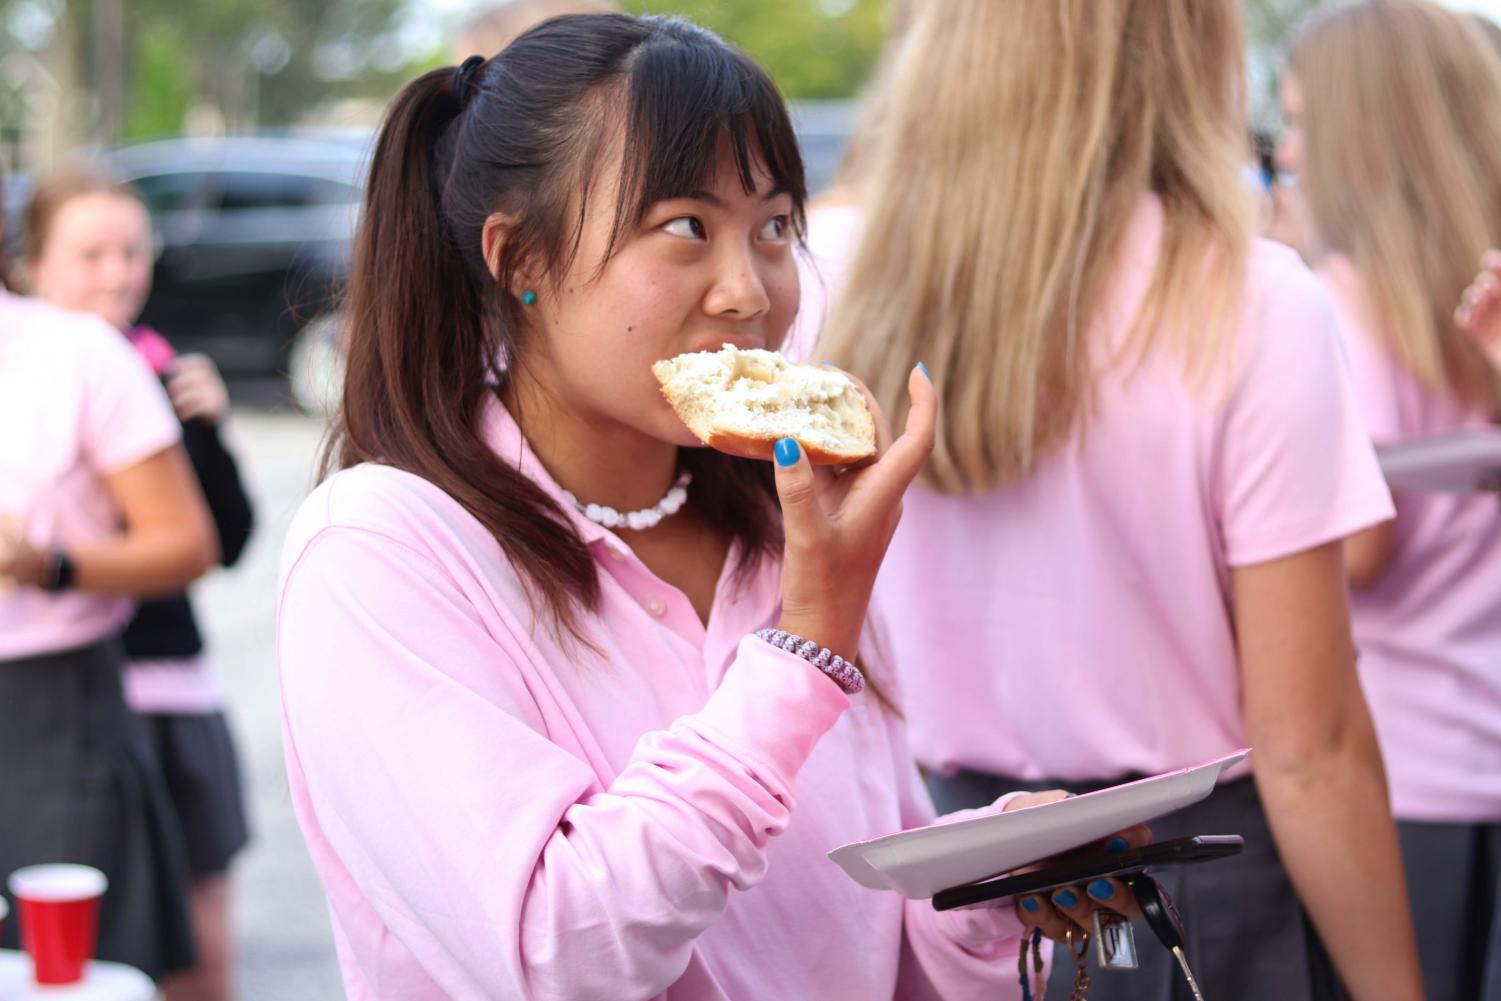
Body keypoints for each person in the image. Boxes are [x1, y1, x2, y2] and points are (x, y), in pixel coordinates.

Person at [276, 13, 1148, 1000]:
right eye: (685, 227)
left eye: (773, 227)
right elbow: (558, 954)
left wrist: (983, 883)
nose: (749, 291)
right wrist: (808, 648)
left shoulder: (782, 526)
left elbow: (866, 944)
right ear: (518, 260)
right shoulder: (381, 551)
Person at [811, 2, 1423, 999]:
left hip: (944, 872)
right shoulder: (1252, 300)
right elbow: (1309, 747)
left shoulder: (837, 275)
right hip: (1191, 883)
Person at [1282, 3, 1501, 997]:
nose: (1284, 149)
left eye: (1297, 121)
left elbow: (1356, 554)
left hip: (1404, 771)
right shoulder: (1474, 287)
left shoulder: (1337, 297)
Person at [22, 164, 255, 1001]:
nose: (118, 273)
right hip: (59, 704)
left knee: (191, 947)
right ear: (32, 264)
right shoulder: (39, 372)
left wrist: (211, 431)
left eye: (133, 251)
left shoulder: (157, 372)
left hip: (160, 690)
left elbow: (221, 541)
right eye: (92, 254)